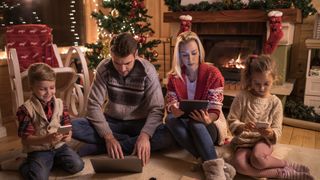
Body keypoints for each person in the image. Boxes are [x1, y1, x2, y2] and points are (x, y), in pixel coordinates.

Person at [71, 32, 174, 166]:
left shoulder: (148, 71)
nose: (122, 69)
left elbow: (157, 109)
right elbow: (93, 105)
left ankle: (102, 147)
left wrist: (145, 136)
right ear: (111, 55)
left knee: (168, 135)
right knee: (73, 126)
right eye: (117, 63)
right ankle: (125, 143)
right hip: (112, 123)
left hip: (140, 124)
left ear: (136, 54)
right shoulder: (104, 68)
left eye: (127, 63)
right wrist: (108, 136)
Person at [227, 54, 314, 179]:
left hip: (263, 141)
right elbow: (231, 120)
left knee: (258, 159)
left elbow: (277, 130)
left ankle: (286, 164)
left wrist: (269, 133)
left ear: (274, 79)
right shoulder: (242, 97)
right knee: (239, 165)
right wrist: (242, 126)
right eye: (257, 83)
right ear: (250, 79)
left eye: (266, 84)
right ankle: (282, 173)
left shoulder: (275, 103)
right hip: (243, 142)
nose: (261, 88)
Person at [165, 31, 235, 180]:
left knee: (196, 123)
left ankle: (215, 174)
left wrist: (208, 119)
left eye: (194, 53)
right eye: (184, 55)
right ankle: (214, 162)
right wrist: (174, 109)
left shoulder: (213, 73)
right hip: (185, 123)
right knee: (170, 119)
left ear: (200, 52)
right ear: (179, 56)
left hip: (209, 125)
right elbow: (170, 101)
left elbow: (215, 108)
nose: (190, 59)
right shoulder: (174, 77)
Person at [16, 63, 84, 180]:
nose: (48, 92)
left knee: (78, 165)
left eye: (52, 88)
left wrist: (68, 135)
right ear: (32, 87)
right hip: (39, 150)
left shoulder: (60, 103)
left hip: (59, 146)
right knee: (38, 178)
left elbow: (67, 124)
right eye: (42, 89)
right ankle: (22, 164)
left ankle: (49, 162)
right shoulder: (25, 109)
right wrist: (46, 139)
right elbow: (26, 138)